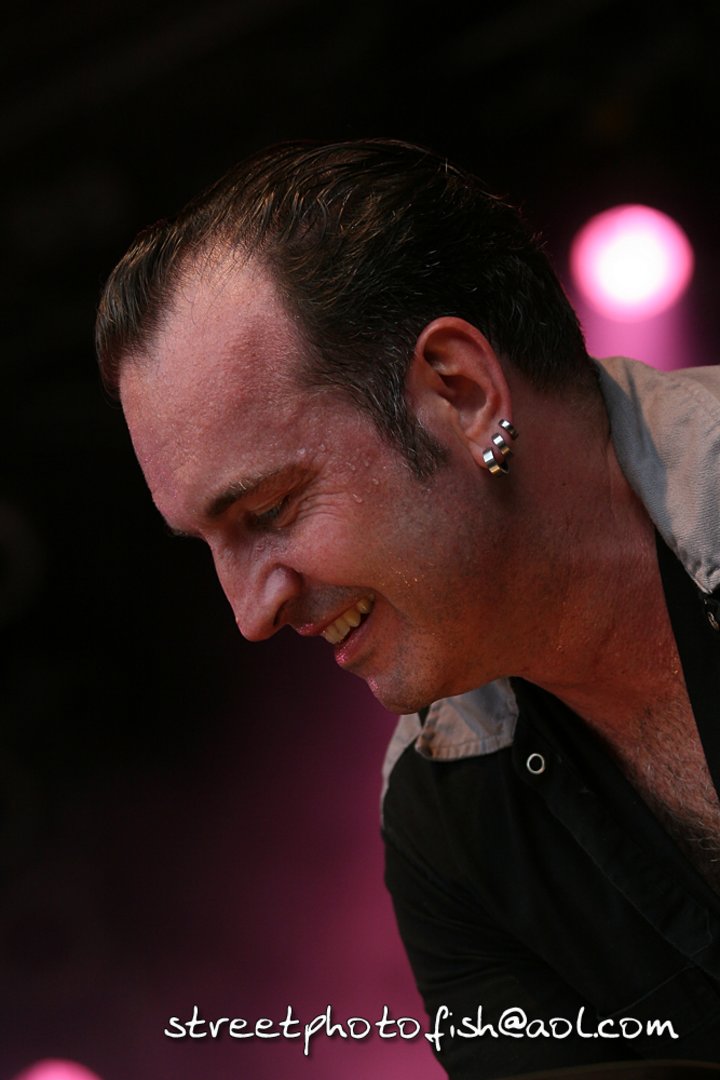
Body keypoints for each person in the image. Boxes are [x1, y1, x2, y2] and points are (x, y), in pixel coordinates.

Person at [95, 139, 720, 1078]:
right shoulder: (443, 820)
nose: (250, 616)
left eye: (270, 510)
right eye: (208, 545)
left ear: (461, 394)